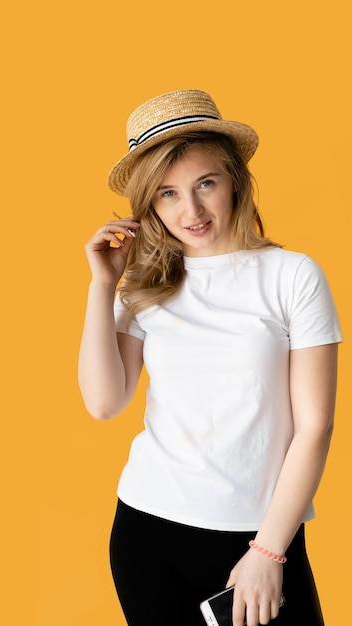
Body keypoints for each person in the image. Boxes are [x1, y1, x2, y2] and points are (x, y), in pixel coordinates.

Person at [78, 90, 342, 626]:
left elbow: (316, 425)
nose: (190, 211)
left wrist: (269, 552)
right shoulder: (143, 284)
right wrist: (101, 287)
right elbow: (105, 403)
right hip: (148, 528)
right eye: (168, 194)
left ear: (234, 181)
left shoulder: (292, 276)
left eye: (206, 184)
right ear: (149, 204)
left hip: (261, 536)